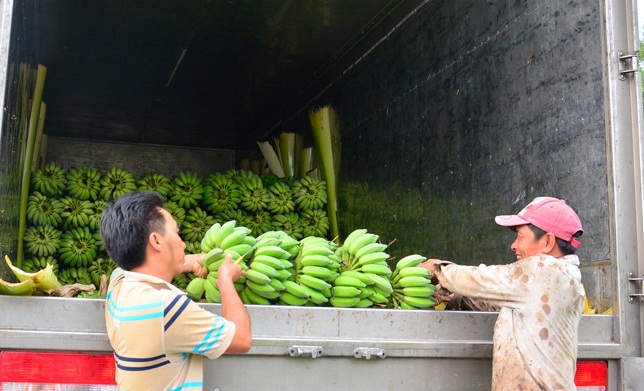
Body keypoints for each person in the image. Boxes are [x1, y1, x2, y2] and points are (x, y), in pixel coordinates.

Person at [420, 196, 584, 390]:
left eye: (521, 237)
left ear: (548, 241)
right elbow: (495, 301)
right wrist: (455, 298)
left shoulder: (544, 270)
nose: (514, 245)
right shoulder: (559, 279)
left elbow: (483, 278)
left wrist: (438, 270)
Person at [100, 190, 251, 390]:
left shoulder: (118, 284)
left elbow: (131, 267)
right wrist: (225, 280)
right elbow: (241, 339)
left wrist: (189, 261)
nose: (183, 243)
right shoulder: (166, 307)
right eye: (177, 233)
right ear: (156, 241)